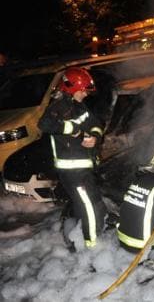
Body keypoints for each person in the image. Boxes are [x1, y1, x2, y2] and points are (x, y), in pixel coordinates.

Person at [38, 67, 106, 249]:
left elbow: (95, 124)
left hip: (85, 168)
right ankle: (92, 246)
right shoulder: (58, 107)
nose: (85, 94)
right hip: (72, 172)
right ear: (70, 88)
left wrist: (95, 137)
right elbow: (44, 124)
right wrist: (73, 129)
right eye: (82, 90)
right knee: (89, 207)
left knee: (93, 203)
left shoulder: (80, 106)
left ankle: (88, 233)